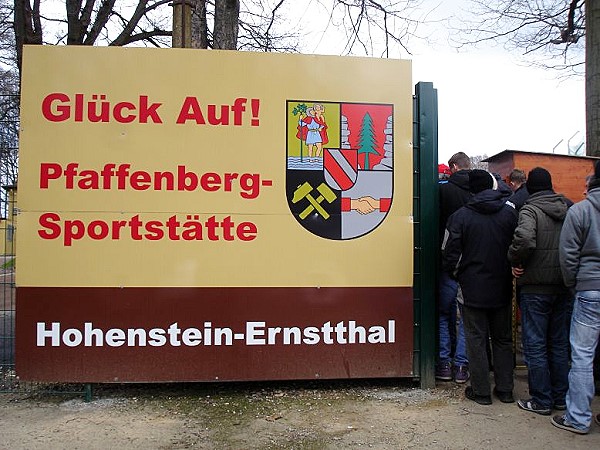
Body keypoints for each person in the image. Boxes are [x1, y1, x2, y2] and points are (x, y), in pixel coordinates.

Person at [442, 169, 518, 405]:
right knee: (503, 339)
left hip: (472, 287)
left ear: (471, 189)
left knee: (475, 339)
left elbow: (449, 253)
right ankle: (505, 390)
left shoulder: (460, 216)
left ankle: (481, 391)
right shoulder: (509, 214)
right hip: (502, 286)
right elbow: (519, 244)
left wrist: (458, 274)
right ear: (492, 186)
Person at [507, 167, 570, 416]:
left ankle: (541, 400)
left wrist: (515, 261)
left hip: (535, 287)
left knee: (535, 344)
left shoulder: (530, 210)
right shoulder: (568, 208)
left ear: (530, 187)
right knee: (558, 343)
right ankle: (560, 398)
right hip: (563, 286)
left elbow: (524, 240)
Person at [552, 162, 600, 434]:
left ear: (590, 187)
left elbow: (567, 255)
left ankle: (578, 418)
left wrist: (573, 285)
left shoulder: (580, 211)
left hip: (589, 288)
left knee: (582, 355)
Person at [436, 152, 471, 383]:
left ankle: (444, 364)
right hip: (472, 267)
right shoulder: (479, 193)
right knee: (466, 318)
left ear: (454, 167)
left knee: (443, 313)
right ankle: (461, 367)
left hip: (447, 263)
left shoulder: (443, 191)